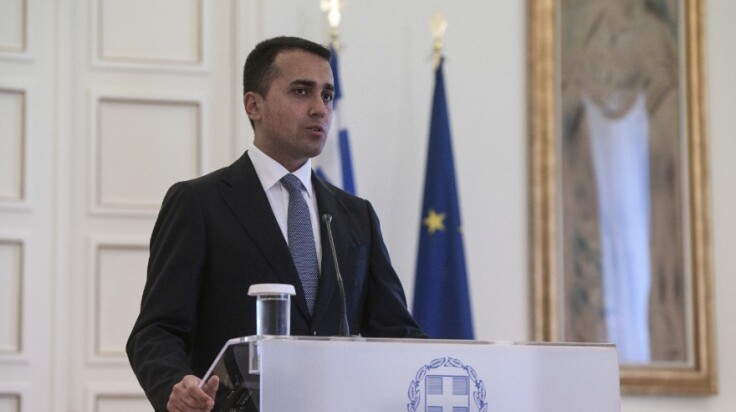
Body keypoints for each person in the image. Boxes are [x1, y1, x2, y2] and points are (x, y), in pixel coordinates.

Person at [126, 36, 424, 411]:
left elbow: (395, 331)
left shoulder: (355, 215)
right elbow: (156, 331)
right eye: (301, 91)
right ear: (254, 105)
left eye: (327, 95)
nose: (319, 108)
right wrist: (176, 383)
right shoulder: (199, 203)